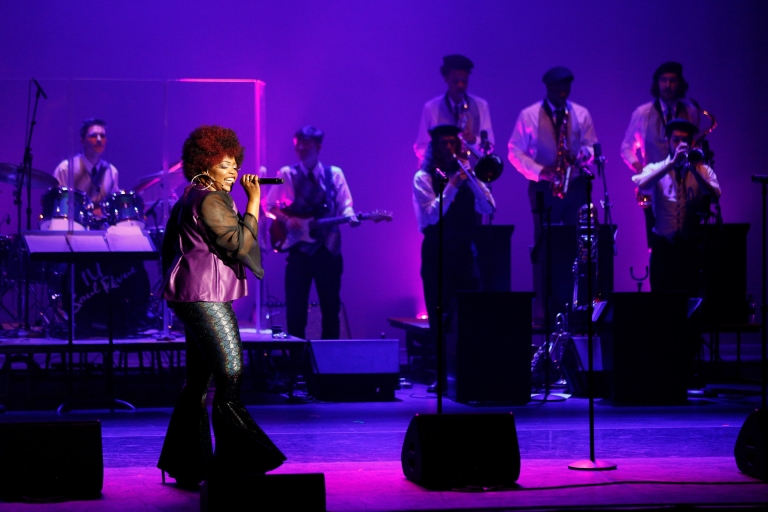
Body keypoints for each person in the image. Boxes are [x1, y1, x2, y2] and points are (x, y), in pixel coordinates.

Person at [157, 125, 286, 487]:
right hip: (206, 297)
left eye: (235, 165)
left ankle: (186, 463)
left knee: (198, 381)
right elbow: (241, 244)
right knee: (230, 374)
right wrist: (255, 201)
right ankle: (240, 459)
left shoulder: (191, 196)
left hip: (191, 294)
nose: (233, 173)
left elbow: (169, 247)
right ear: (205, 165)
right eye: (225, 165)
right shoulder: (212, 200)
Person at [507, 66, 598, 323]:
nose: (563, 93)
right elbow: (515, 151)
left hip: (576, 185)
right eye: (559, 89)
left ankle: (577, 304)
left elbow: (592, 145)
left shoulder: (580, 113)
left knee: (578, 243)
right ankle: (548, 307)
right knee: (546, 243)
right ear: (547, 88)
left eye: (567, 89)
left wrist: (583, 156)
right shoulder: (529, 115)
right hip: (544, 186)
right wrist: (540, 171)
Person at [413, 124, 496, 388]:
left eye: (452, 143)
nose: (448, 148)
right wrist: (452, 186)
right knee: (440, 315)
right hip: (437, 252)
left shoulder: (467, 174)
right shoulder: (423, 178)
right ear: (434, 148)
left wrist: (473, 182)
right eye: (443, 144)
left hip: (464, 250)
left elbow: (489, 207)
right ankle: (442, 375)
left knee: (469, 312)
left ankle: (469, 371)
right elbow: (429, 216)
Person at [265, 126, 359, 340]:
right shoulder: (286, 174)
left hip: (328, 250)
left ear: (318, 146)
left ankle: (328, 366)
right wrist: (288, 220)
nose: (301, 149)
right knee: (295, 311)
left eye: (306, 144)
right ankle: (297, 365)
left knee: (330, 309)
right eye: (298, 145)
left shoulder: (334, 174)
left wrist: (351, 216)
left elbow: (345, 205)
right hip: (299, 252)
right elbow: (269, 205)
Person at [631, 119, 721, 295]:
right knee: (661, 300)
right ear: (667, 142)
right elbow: (642, 185)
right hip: (663, 249)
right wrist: (671, 164)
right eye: (676, 140)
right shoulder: (657, 168)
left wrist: (694, 170)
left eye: (685, 140)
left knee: (691, 298)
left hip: (690, 248)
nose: (681, 144)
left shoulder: (703, 170)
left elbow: (715, 197)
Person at [621, 62, 701, 246]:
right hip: (655, 185)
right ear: (656, 83)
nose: (667, 85)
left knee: (688, 237)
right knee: (656, 240)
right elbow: (626, 148)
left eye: (672, 81)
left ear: (679, 84)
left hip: (685, 183)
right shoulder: (642, 113)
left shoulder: (691, 111)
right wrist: (643, 172)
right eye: (663, 80)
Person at [414, 54, 495, 164]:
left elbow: (489, 145)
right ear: (446, 79)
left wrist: (474, 140)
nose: (460, 85)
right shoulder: (431, 108)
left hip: (472, 171)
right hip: (442, 174)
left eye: (464, 81)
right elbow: (421, 146)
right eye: (455, 81)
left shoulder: (481, 105)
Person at [53, 118, 119, 206]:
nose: (99, 139)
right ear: (82, 141)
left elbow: (113, 205)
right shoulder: (65, 169)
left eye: (102, 136)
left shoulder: (112, 172)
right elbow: (56, 204)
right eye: (93, 136)